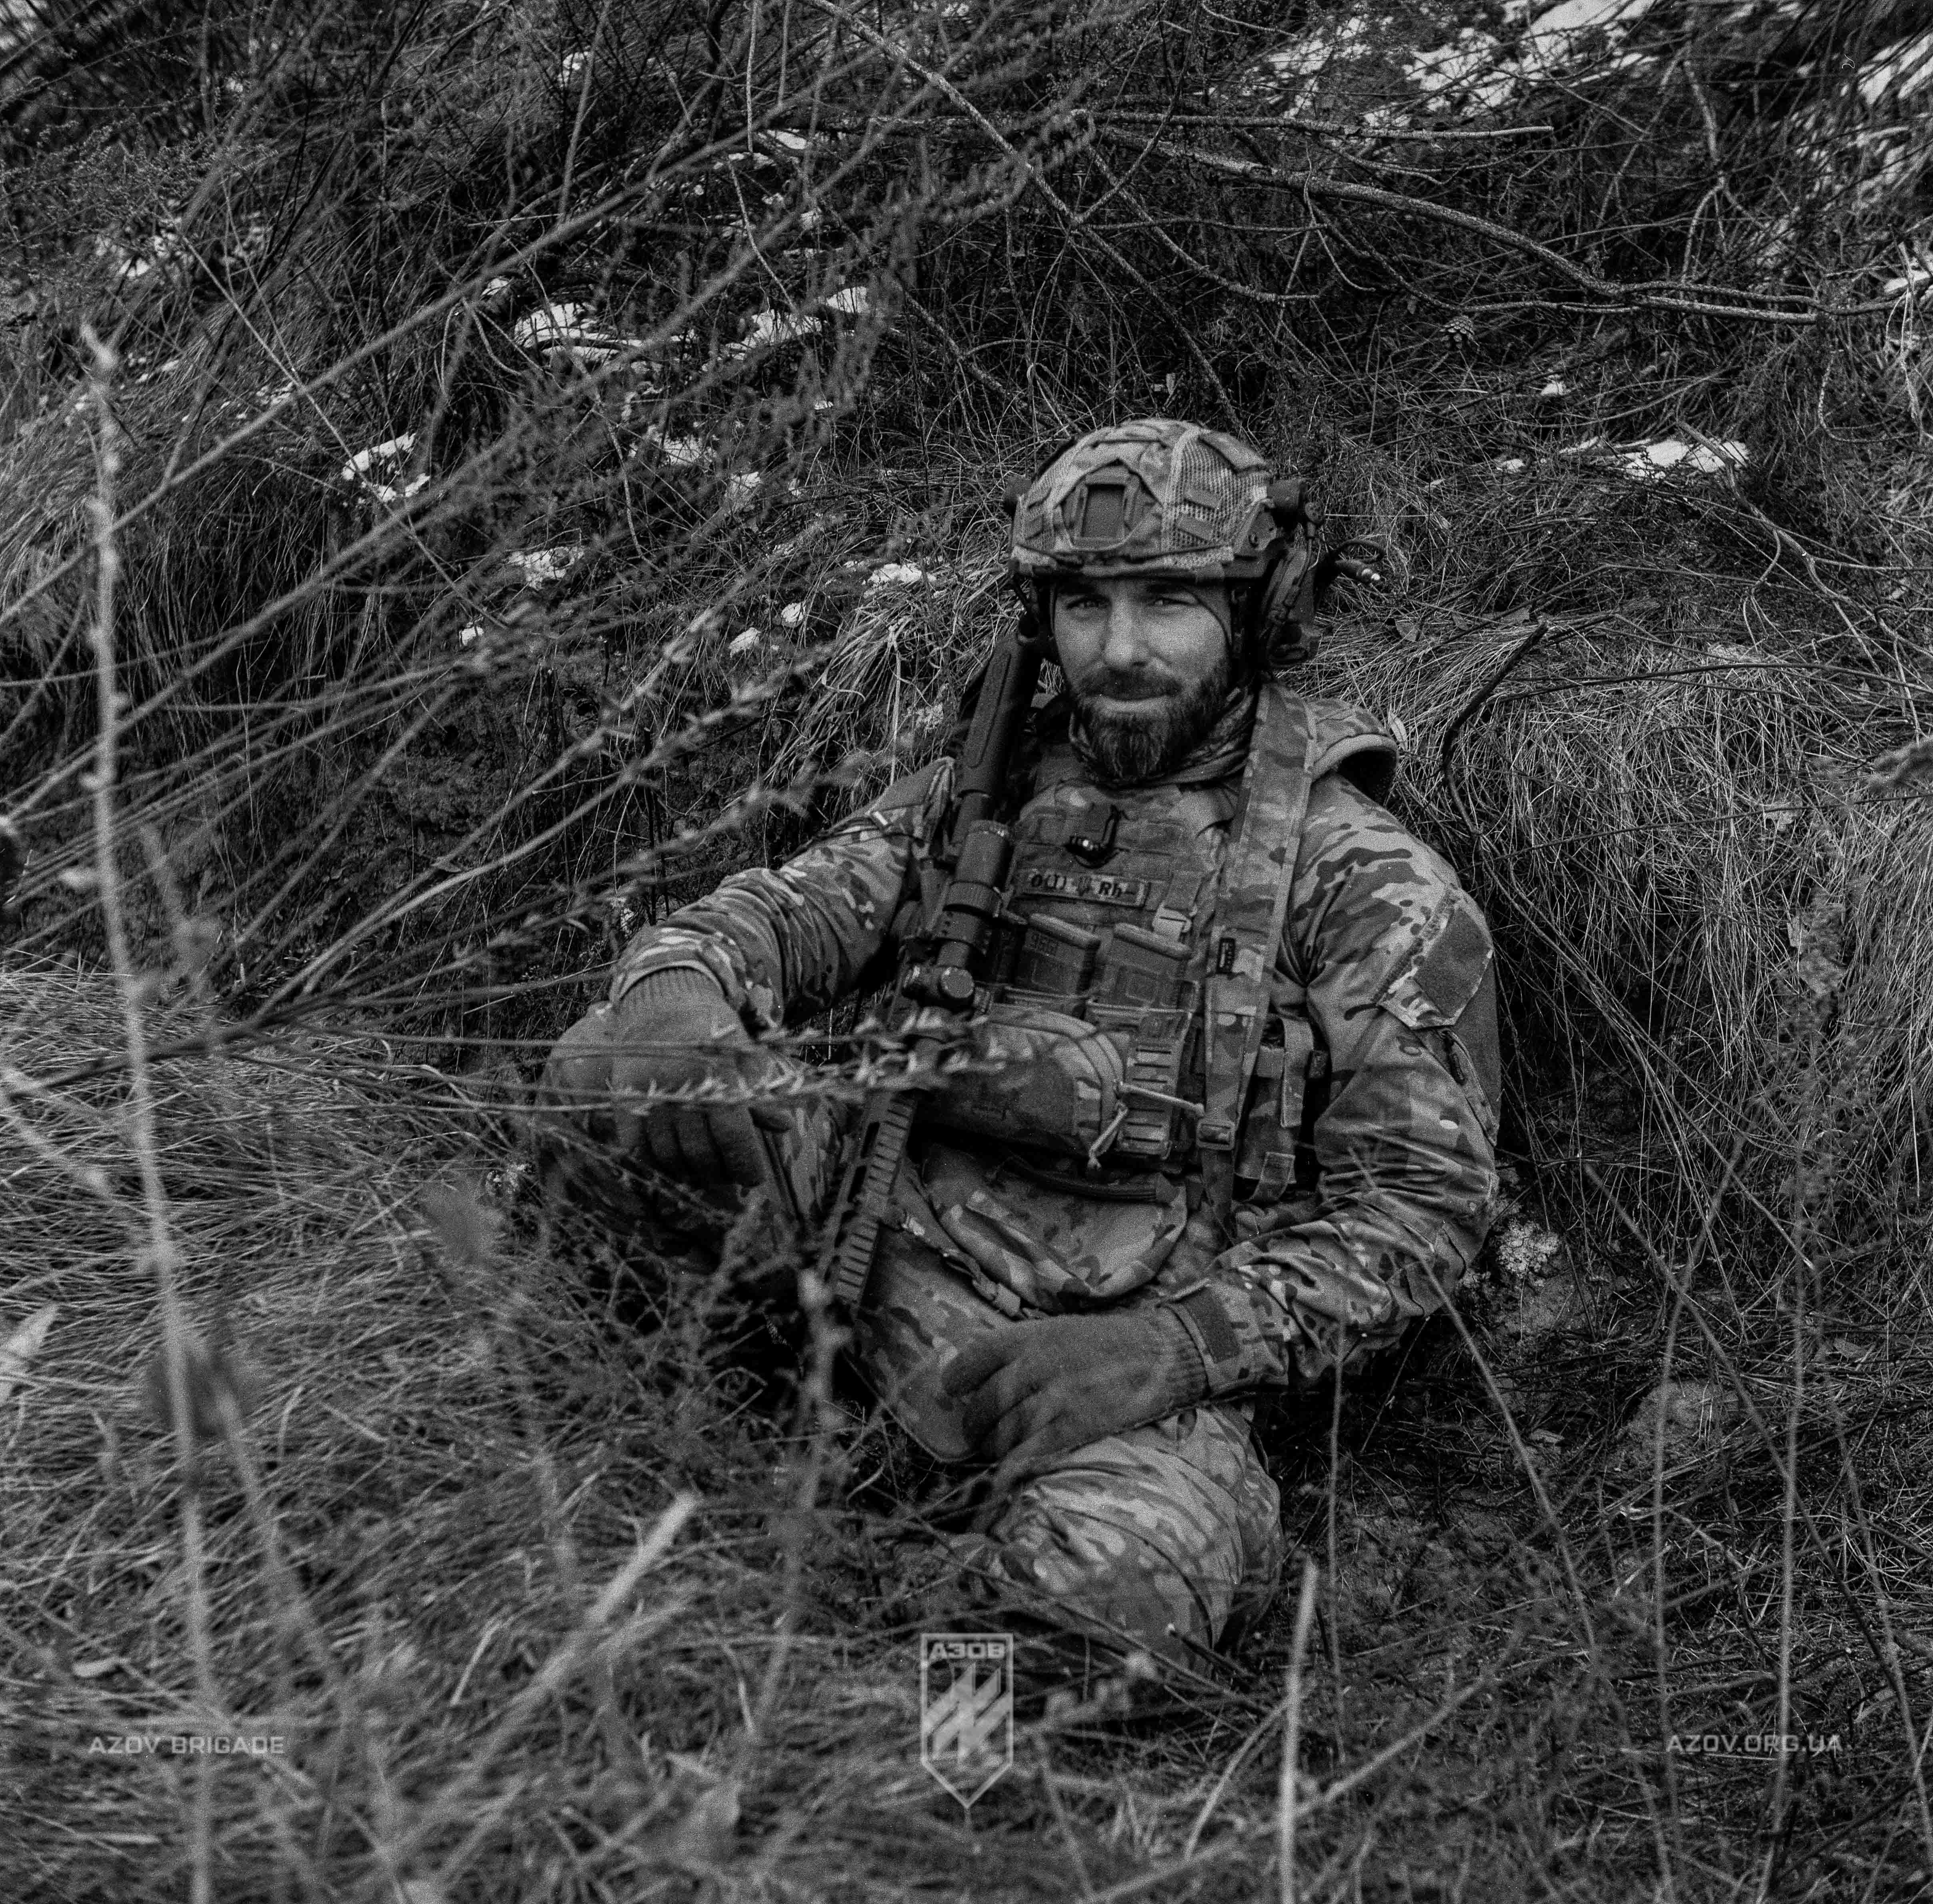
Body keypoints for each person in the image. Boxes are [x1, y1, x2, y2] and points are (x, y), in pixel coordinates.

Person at [541, 419, 1501, 1683]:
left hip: (1110, 1359)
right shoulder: (981, 799)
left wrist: (1175, 1351)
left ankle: (895, 1757)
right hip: (866, 1239)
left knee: (1110, 1600)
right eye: (1086, 604)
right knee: (602, 1074)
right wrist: (676, 1002)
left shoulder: (1365, 881)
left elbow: (1425, 1210)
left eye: (1169, 600)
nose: (1120, 648)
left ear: (1253, 615)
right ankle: (604, 1458)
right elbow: (774, 918)